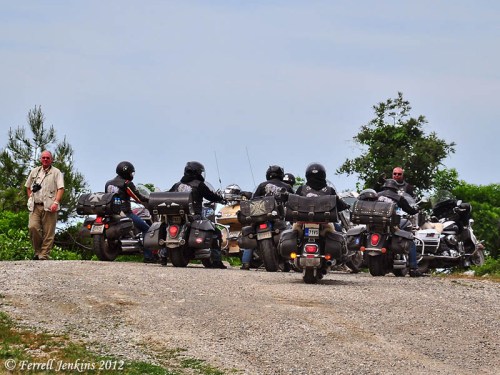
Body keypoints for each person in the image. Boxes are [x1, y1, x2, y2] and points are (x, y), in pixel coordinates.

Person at [169, 161, 227, 269]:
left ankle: (163, 256)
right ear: (197, 173)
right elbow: (210, 196)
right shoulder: (199, 184)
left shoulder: (177, 185)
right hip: (194, 215)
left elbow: (168, 196)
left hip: (177, 215)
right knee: (216, 232)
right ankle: (216, 261)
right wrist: (221, 199)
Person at [241, 165, 294, 270]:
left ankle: (245, 263)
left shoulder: (262, 185)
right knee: (289, 234)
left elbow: (253, 200)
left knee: (252, 233)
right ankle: (287, 261)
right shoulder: (287, 187)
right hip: (278, 217)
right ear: (281, 175)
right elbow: (294, 202)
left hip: (261, 217)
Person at [105, 161, 153, 263]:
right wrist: (149, 200)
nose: (132, 175)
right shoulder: (126, 183)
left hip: (111, 212)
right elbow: (137, 197)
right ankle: (149, 256)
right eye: (131, 173)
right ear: (127, 172)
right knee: (147, 229)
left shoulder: (108, 183)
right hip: (125, 213)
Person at [377, 178, 422, 277]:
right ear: (395, 188)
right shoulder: (398, 197)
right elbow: (409, 210)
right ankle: (413, 269)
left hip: (376, 224)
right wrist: (415, 210)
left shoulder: (377, 195)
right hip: (392, 224)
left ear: (384, 186)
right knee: (411, 243)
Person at [25, 150, 65, 260]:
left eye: (48, 158)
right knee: (32, 227)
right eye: (43, 157)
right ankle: (38, 252)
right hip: (35, 205)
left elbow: (61, 188)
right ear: (40, 159)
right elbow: (28, 186)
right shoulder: (35, 171)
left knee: (48, 232)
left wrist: (56, 202)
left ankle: (44, 255)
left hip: (49, 205)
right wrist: (30, 198)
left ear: (51, 160)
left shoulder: (56, 172)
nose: (45, 159)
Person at [295, 163, 350, 233]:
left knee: (293, 231)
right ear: (323, 175)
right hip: (326, 223)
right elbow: (339, 205)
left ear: (307, 175)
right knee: (341, 232)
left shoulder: (301, 189)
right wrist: (346, 206)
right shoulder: (330, 190)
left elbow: (293, 203)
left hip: (303, 222)